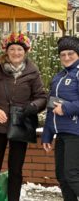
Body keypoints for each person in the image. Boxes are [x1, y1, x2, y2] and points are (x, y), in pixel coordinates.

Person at [0, 32, 47, 201]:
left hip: (20, 125)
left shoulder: (32, 70)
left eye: (19, 49)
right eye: (12, 49)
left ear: (26, 51)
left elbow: (42, 97)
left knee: (16, 170)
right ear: (6, 51)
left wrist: (32, 107)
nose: (16, 53)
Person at [42, 36, 79, 201]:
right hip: (61, 134)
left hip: (75, 132)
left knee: (72, 175)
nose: (66, 57)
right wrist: (47, 134)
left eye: (71, 53)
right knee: (62, 176)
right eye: (62, 54)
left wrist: (66, 108)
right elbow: (51, 107)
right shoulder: (58, 77)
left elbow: (62, 107)